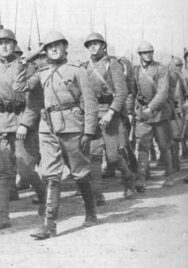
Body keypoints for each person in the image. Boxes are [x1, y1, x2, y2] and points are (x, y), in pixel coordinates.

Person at [13, 31, 99, 240]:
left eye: (57, 45)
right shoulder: (42, 72)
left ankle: (91, 211)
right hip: (47, 127)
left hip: (72, 126)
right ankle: (49, 225)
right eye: (49, 47)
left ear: (65, 47)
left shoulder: (77, 71)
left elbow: (90, 102)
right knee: (51, 174)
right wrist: (27, 59)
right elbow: (19, 86)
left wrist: (88, 131)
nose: (53, 49)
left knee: (79, 171)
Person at [0, 28, 45, 230]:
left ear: (14, 45)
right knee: (3, 171)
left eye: (8, 43)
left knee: (26, 170)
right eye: (0, 43)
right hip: (2, 122)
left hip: (22, 121)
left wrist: (25, 123)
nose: (4, 46)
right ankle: (3, 216)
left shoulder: (25, 66)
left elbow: (35, 100)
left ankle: (45, 199)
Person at [82, 32, 136, 198]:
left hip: (110, 114)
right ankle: (97, 194)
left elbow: (122, 92)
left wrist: (111, 113)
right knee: (94, 155)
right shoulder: (85, 67)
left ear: (103, 45)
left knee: (113, 156)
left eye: (96, 43)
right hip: (93, 114)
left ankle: (129, 180)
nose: (93, 46)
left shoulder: (112, 64)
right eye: (89, 44)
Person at [134, 40, 172, 191]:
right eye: (144, 52)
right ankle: (141, 179)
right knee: (143, 146)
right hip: (143, 113)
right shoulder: (136, 70)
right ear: (140, 55)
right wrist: (133, 112)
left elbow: (163, 93)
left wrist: (149, 109)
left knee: (164, 146)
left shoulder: (161, 69)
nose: (147, 55)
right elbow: (133, 93)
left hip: (160, 113)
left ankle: (169, 177)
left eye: (150, 52)